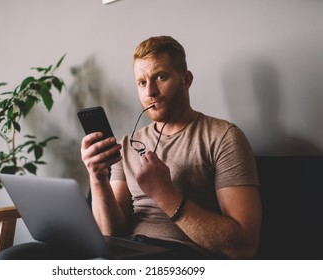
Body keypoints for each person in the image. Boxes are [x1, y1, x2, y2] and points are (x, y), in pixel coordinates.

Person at [80, 35, 262, 259]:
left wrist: (165, 194)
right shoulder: (127, 144)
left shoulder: (224, 137)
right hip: (128, 253)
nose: (150, 92)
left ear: (185, 80)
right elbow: (111, 233)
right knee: (31, 251)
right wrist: (96, 177)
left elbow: (244, 246)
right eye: (142, 82)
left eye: (161, 77)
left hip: (181, 256)